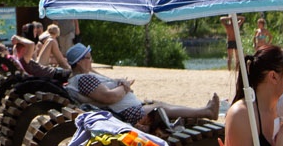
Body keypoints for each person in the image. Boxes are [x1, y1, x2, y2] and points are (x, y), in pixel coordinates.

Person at [63, 50, 220, 131]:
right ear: (80, 62)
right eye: (89, 58)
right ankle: (206, 112)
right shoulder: (83, 79)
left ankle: (205, 110)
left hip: (128, 111)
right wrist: (125, 87)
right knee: (162, 108)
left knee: (161, 105)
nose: (91, 60)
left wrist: (121, 84)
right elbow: (109, 97)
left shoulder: (82, 77)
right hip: (131, 115)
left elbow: (102, 84)